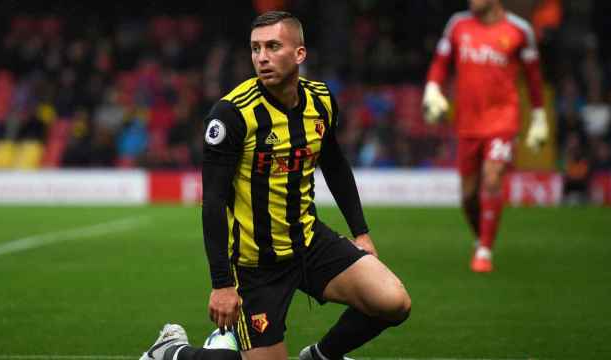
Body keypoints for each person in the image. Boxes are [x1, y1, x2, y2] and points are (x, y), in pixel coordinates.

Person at [140, 11, 411, 360]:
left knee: (394, 302)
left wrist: (360, 232)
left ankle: (321, 356)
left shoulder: (321, 101)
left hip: (310, 243)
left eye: (272, 46)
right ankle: (172, 351)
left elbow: (336, 166)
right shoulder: (232, 115)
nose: (262, 57)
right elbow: (213, 203)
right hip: (256, 265)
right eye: (255, 49)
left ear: (300, 54)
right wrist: (222, 283)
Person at [422, 0, 549, 272]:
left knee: (492, 178)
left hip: (503, 121)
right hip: (467, 124)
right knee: (468, 196)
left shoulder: (519, 30)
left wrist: (539, 118)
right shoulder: (457, 24)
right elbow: (440, 63)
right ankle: (483, 235)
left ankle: (484, 251)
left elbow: (534, 77)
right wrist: (432, 89)